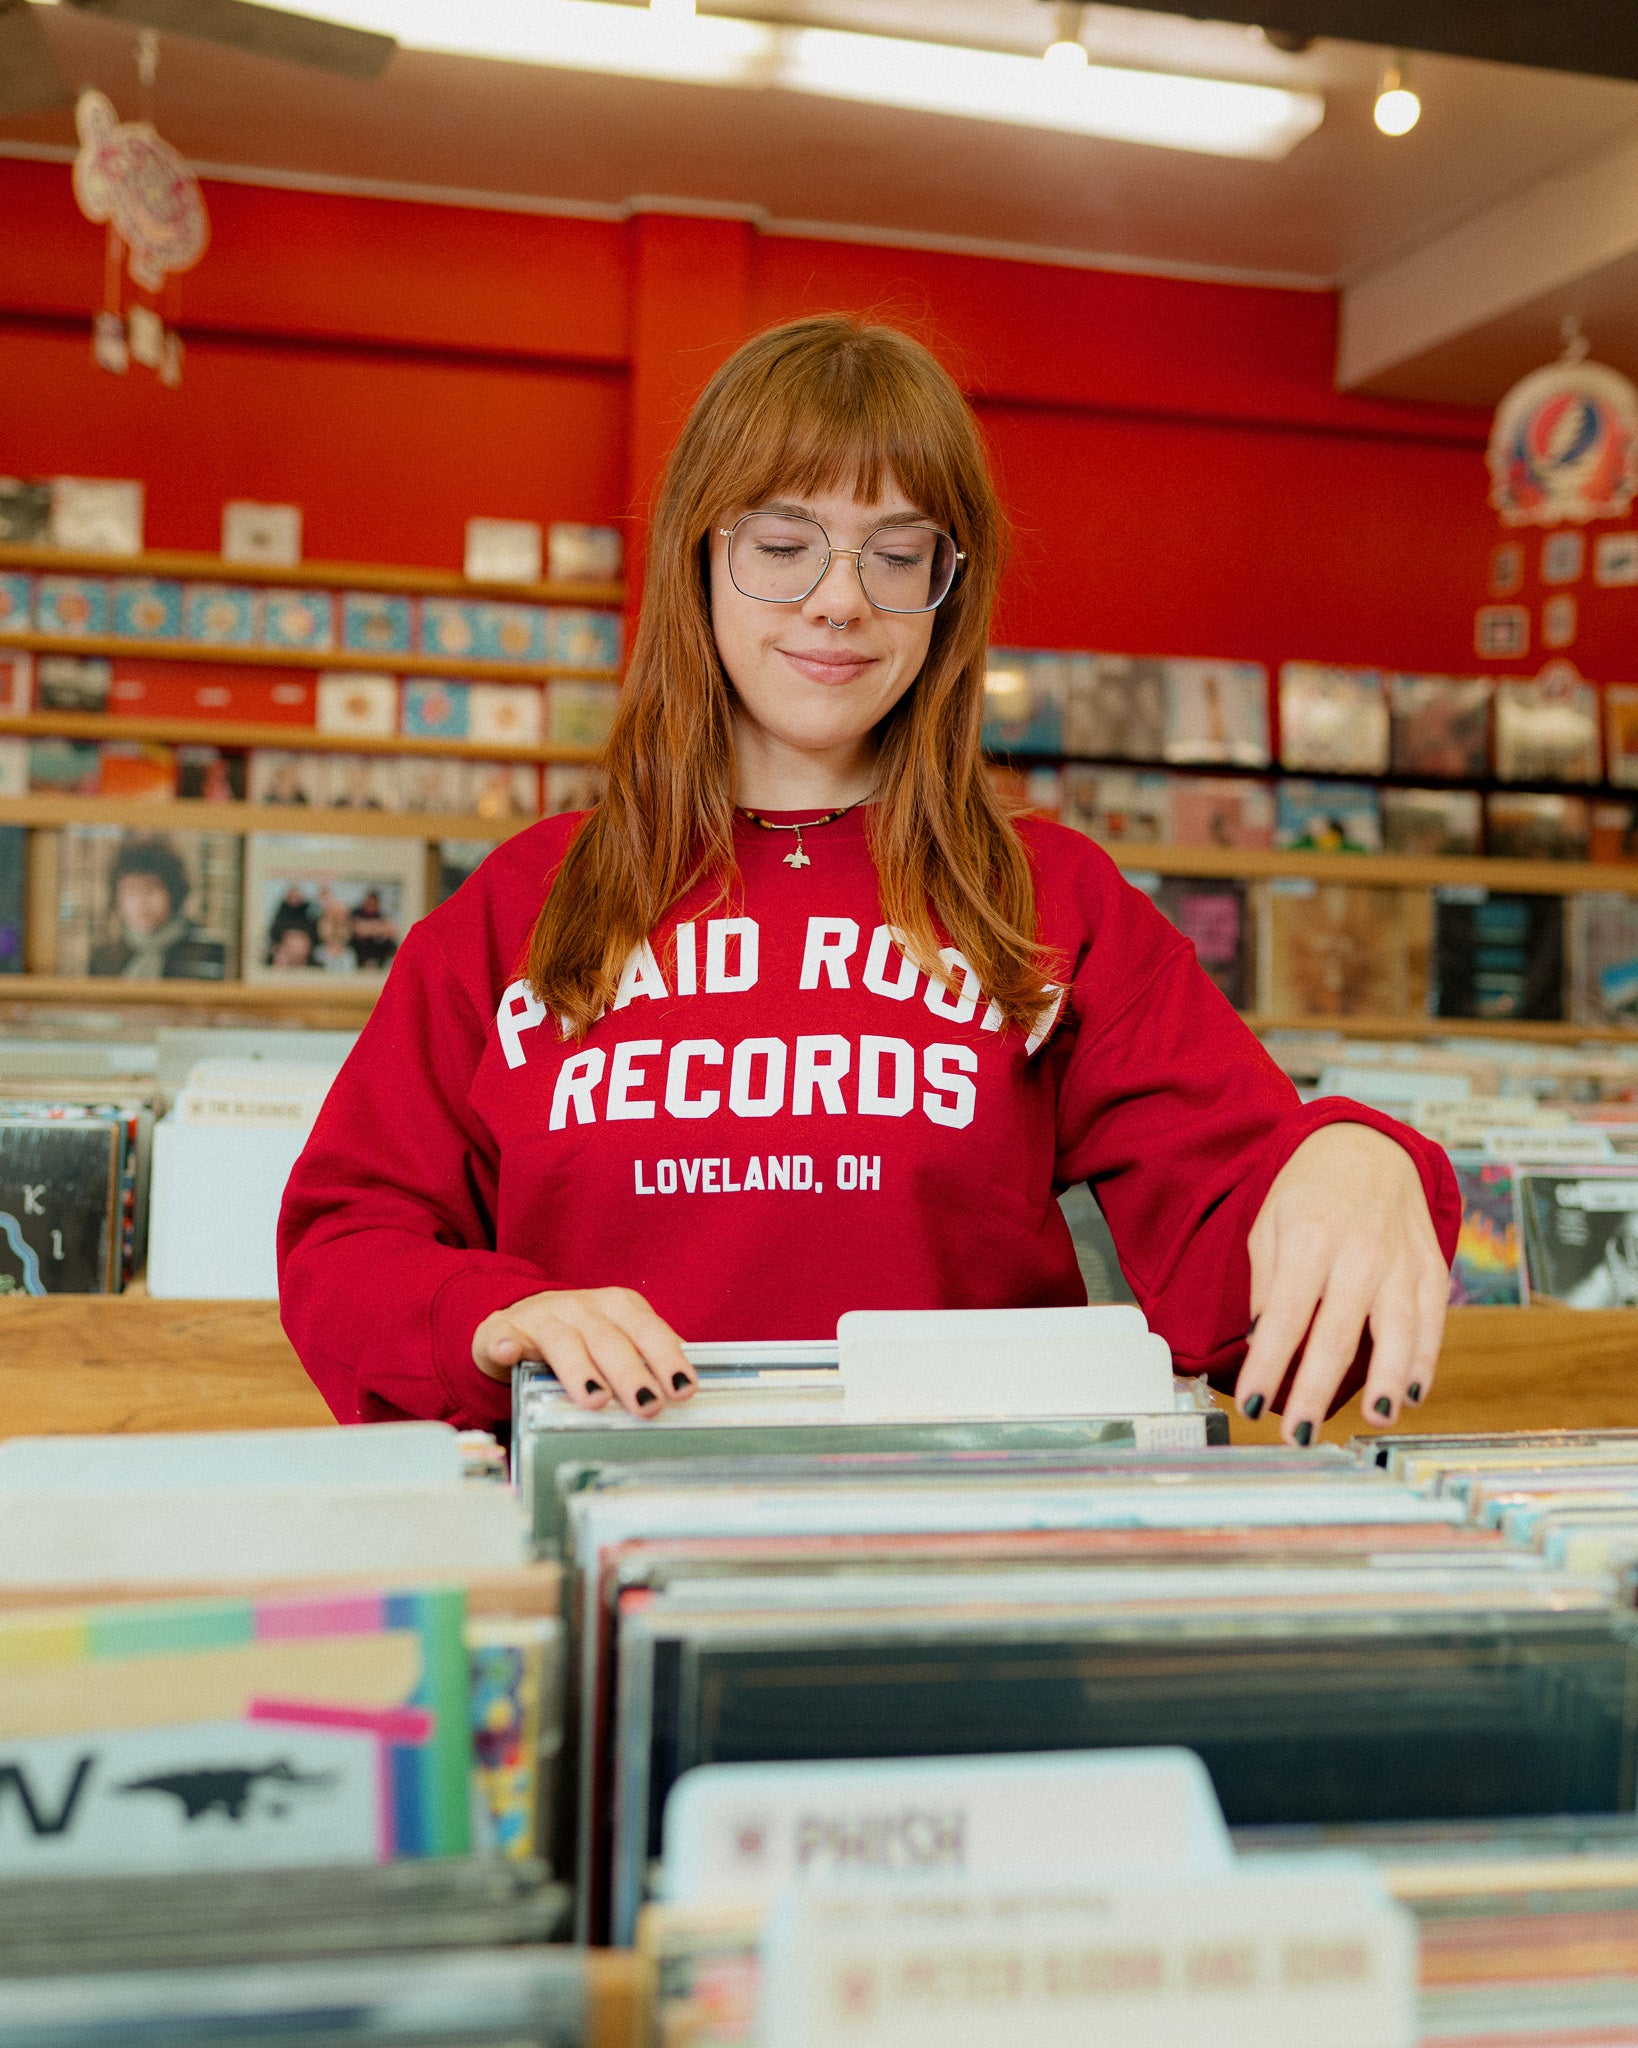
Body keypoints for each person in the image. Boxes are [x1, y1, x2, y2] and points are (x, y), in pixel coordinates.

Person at [278, 315, 1457, 1445]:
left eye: (897, 555)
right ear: (700, 552)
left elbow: (1239, 1265)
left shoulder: (1052, 901)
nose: (838, 598)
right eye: (784, 546)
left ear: (951, 590)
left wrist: (1352, 1156)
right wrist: (490, 1316)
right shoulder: (519, 906)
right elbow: (349, 1238)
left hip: (965, 1557)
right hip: (613, 1521)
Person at [89, 835, 226, 980]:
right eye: (131, 891)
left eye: (151, 889)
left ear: (173, 892)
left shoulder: (207, 952)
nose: (141, 901)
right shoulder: (104, 958)